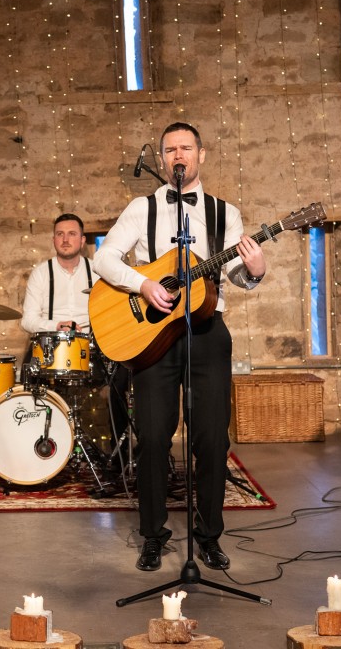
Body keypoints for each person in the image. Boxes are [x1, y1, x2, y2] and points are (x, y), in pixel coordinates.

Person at [92, 122, 266, 572]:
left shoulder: (225, 213)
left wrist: (256, 270)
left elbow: (237, 278)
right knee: (151, 439)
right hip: (153, 338)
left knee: (211, 439)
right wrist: (144, 283)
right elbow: (105, 258)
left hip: (208, 334)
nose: (177, 155)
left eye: (186, 148)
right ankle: (153, 535)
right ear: (163, 158)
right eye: (170, 149)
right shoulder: (141, 207)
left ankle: (208, 537)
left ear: (201, 155)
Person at [21, 213, 131, 461]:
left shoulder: (99, 271)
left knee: (122, 376)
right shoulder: (41, 273)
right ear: (53, 240)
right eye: (60, 234)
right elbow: (27, 320)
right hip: (52, 345)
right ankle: (38, 449)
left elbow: (116, 311)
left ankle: (119, 454)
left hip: (95, 345)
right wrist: (55, 325)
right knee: (27, 373)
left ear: (82, 240)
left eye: (72, 234)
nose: (65, 239)